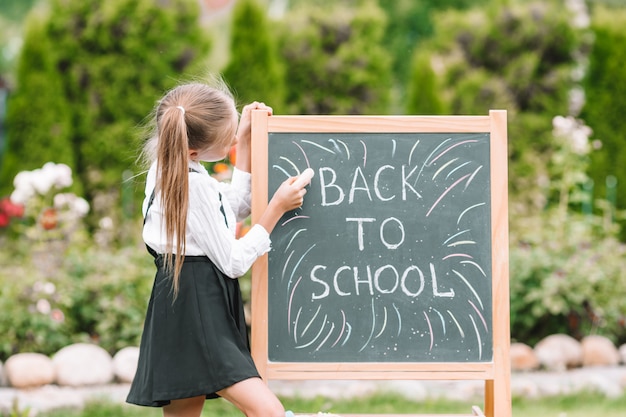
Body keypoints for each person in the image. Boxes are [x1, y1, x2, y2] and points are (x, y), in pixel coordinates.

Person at [126, 78, 307, 417]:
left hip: (178, 300)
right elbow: (234, 261)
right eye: (228, 142)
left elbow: (230, 209)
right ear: (194, 151)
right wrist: (276, 209)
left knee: (184, 410)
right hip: (199, 306)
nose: (232, 142)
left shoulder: (170, 170)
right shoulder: (192, 186)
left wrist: (245, 139)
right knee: (268, 412)